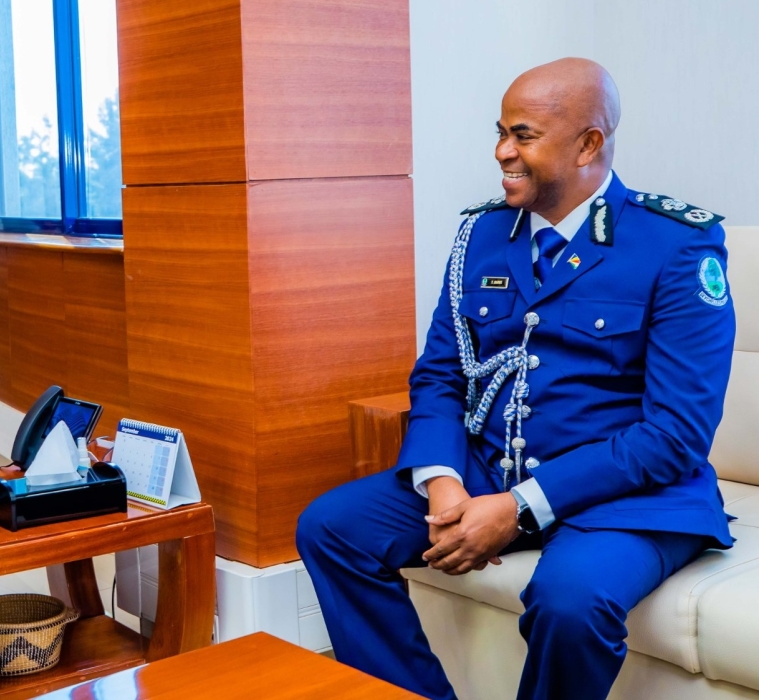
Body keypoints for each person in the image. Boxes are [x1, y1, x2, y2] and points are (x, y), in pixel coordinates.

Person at [297, 58, 734, 700]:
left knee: (569, 600)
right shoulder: (480, 235)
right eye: (500, 132)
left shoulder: (675, 245)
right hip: (489, 467)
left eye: (523, 135)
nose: (503, 151)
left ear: (589, 143)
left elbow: (675, 435)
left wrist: (518, 508)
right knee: (331, 527)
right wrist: (443, 483)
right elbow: (442, 375)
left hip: (625, 499)